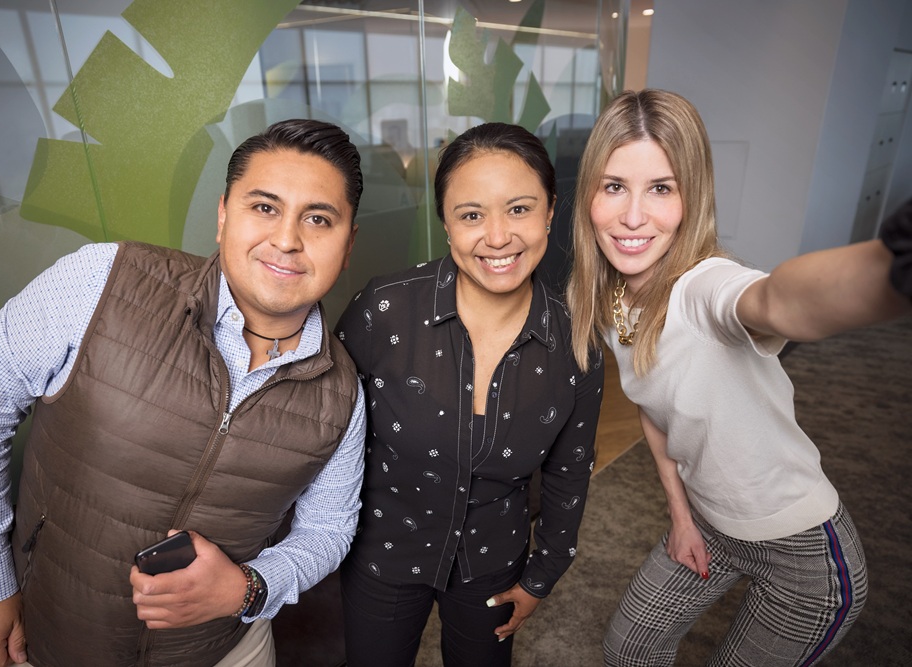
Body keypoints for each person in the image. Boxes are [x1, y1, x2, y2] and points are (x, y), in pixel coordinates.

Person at [0, 118, 367, 667]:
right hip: (52, 640)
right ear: (223, 215)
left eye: (318, 219)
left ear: (348, 244)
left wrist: (248, 589)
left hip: (227, 652)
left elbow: (327, 529)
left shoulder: (343, 391)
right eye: (264, 207)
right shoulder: (102, 281)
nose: (286, 240)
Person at [566, 89, 912, 666]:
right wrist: (680, 516)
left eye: (661, 188)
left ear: (692, 196)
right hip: (708, 522)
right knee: (629, 650)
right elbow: (654, 411)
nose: (633, 216)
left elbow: (775, 301)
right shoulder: (613, 300)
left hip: (803, 557)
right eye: (614, 186)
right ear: (589, 197)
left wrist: (890, 266)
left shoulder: (703, 288)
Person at [334, 122, 604, 667]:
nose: (498, 237)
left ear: (551, 212)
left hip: (493, 561)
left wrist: (544, 573)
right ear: (446, 224)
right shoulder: (384, 309)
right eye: (472, 215)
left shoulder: (577, 345)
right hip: (384, 550)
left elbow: (570, 471)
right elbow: (325, 426)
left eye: (519, 209)